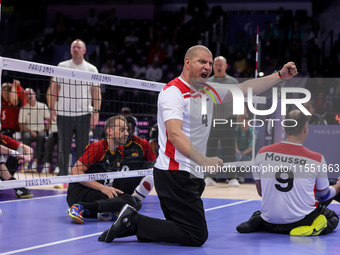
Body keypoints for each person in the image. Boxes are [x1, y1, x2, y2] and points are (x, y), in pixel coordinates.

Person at [99, 45, 298, 246]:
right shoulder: (173, 93)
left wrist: (279, 76)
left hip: (189, 174)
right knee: (196, 235)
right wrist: (204, 160)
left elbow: (243, 89)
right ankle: (133, 222)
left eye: (210, 63)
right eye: (202, 62)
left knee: (180, 227)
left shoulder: (208, 91)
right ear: (187, 62)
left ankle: (135, 222)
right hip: (175, 174)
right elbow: (175, 134)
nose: (208, 67)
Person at [236, 110, 340, 236]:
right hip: (299, 221)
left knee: (261, 213)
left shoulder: (262, 153)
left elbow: (261, 192)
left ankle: (257, 221)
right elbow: (324, 196)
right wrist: (338, 186)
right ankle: (312, 229)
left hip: (270, 221)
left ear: (284, 127)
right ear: (305, 128)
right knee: (332, 217)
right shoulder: (316, 159)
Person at [66, 115, 154, 224]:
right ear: (109, 131)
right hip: (80, 193)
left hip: (97, 192)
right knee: (130, 202)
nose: (126, 133)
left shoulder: (120, 150)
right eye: (122, 130)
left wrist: (110, 189)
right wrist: (103, 188)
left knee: (136, 203)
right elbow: (74, 173)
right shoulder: (98, 147)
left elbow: (107, 177)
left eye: (126, 130)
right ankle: (79, 207)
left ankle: (103, 213)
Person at [48, 39, 102, 178]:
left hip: (84, 113)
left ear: (84, 50)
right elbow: (54, 88)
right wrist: (52, 107)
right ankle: (62, 175)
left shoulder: (91, 69)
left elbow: (96, 92)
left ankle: (81, 174)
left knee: (83, 148)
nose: (76, 49)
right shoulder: (62, 66)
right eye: (73, 47)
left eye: (78, 47)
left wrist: (96, 112)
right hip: (64, 113)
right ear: (70, 50)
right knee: (63, 147)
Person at [205, 56, 239, 186]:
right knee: (211, 150)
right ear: (213, 67)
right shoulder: (207, 81)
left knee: (229, 149)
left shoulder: (233, 81)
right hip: (212, 120)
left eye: (221, 64)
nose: (218, 67)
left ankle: (232, 178)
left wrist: (240, 115)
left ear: (226, 66)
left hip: (228, 120)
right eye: (216, 64)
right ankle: (210, 177)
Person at [18, 88, 50, 172]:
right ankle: (26, 163)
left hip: (40, 131)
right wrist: (30, 131)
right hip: (28, 131)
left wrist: (45, 129)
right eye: (27, 94)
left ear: (35, 94)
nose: (29, 96)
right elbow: (21, 125)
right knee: (26, 136)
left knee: (41, 137)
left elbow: (49, 121)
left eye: (30, 93)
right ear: (25, 97)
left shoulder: (42, 106)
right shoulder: (24, 108)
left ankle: (35, 163)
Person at [1, 80, 27, 174]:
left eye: (6, 92)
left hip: (15, 132)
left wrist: (14, 86)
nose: (4, 94)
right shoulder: (1, 102)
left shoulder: (16, 101)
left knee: (18, 151)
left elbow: (14, 100)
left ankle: (8, 175)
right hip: (3, 132)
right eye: (2, 91)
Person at [0, 134, 34, 199]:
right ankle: (16, 185)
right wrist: (16, 154)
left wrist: (27, 157)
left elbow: (27, 148)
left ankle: (8, 182)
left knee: (21, 150)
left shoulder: (2, 138)